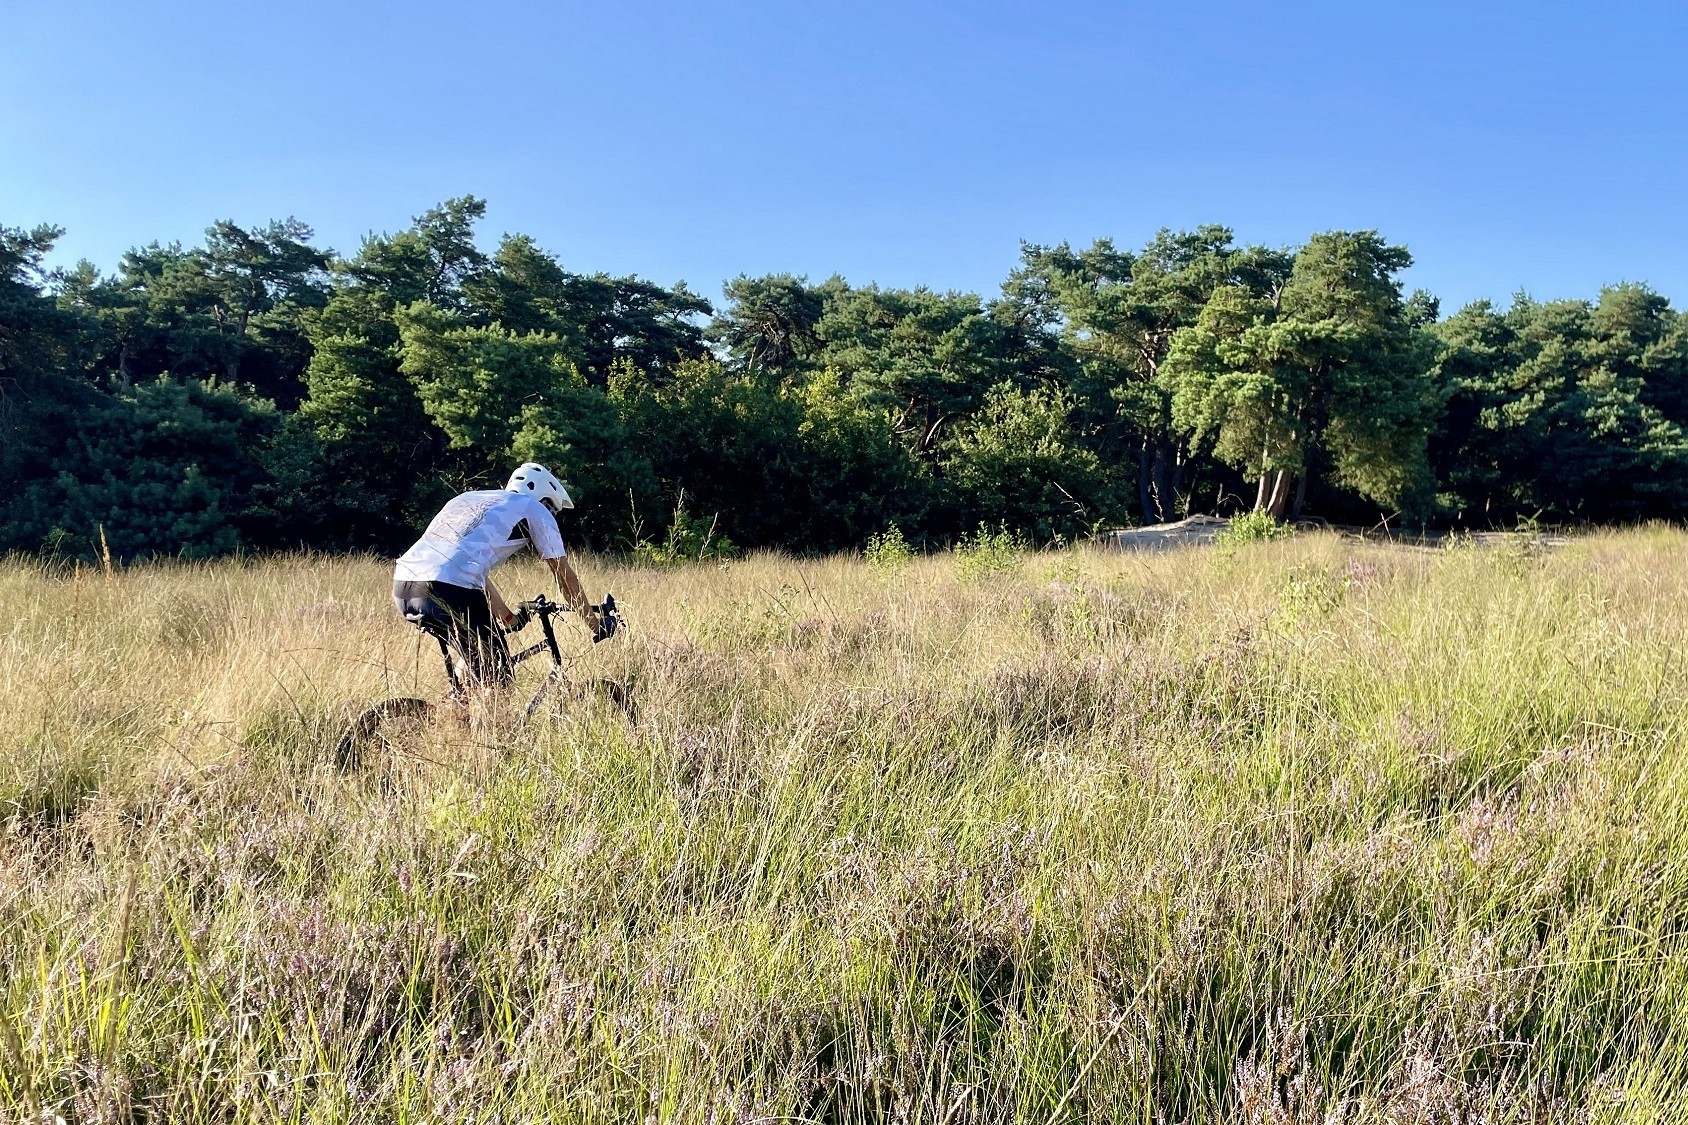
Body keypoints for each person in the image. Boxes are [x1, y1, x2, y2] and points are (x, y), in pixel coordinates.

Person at [391, 462, 602, 692]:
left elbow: (470, 571)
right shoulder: (533, 508)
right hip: (449, 588)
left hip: (404, 585)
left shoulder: (469, 499)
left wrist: (508, 618)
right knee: (500, 678)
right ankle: (492, 725)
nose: (551, 515)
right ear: (544, 499)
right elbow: (565, 578)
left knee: (474, 658)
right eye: (552, 510)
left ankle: (455, 716)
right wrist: (596, 625)